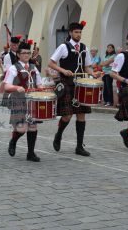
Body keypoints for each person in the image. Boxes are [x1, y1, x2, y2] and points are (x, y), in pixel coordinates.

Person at [48, 22, 100, 156]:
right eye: (76, 32)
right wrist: (63, 70)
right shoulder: (63, 46)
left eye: (80, 32)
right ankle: (58, 135)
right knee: (67, 115)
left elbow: (87, 66)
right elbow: (51, 63)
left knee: (81, 114)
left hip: (81, 84)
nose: (79, 35)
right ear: (70, 33)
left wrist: (93, 73)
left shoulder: (84, 47)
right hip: (67, 83)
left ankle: (79, 147)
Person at [4, 41, 43, 162]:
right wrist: (16, 87)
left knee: (32, 126)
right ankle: (13, 141)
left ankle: (30, 153)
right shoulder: (13, 68)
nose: (26, 55)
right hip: (18, 100)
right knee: (21, 128)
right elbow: (6, 86)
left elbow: (39, 84)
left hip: (32, 100)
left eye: (28, 53)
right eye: (24, 53)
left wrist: (41, 88)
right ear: (19, 55)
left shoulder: (34, 68)